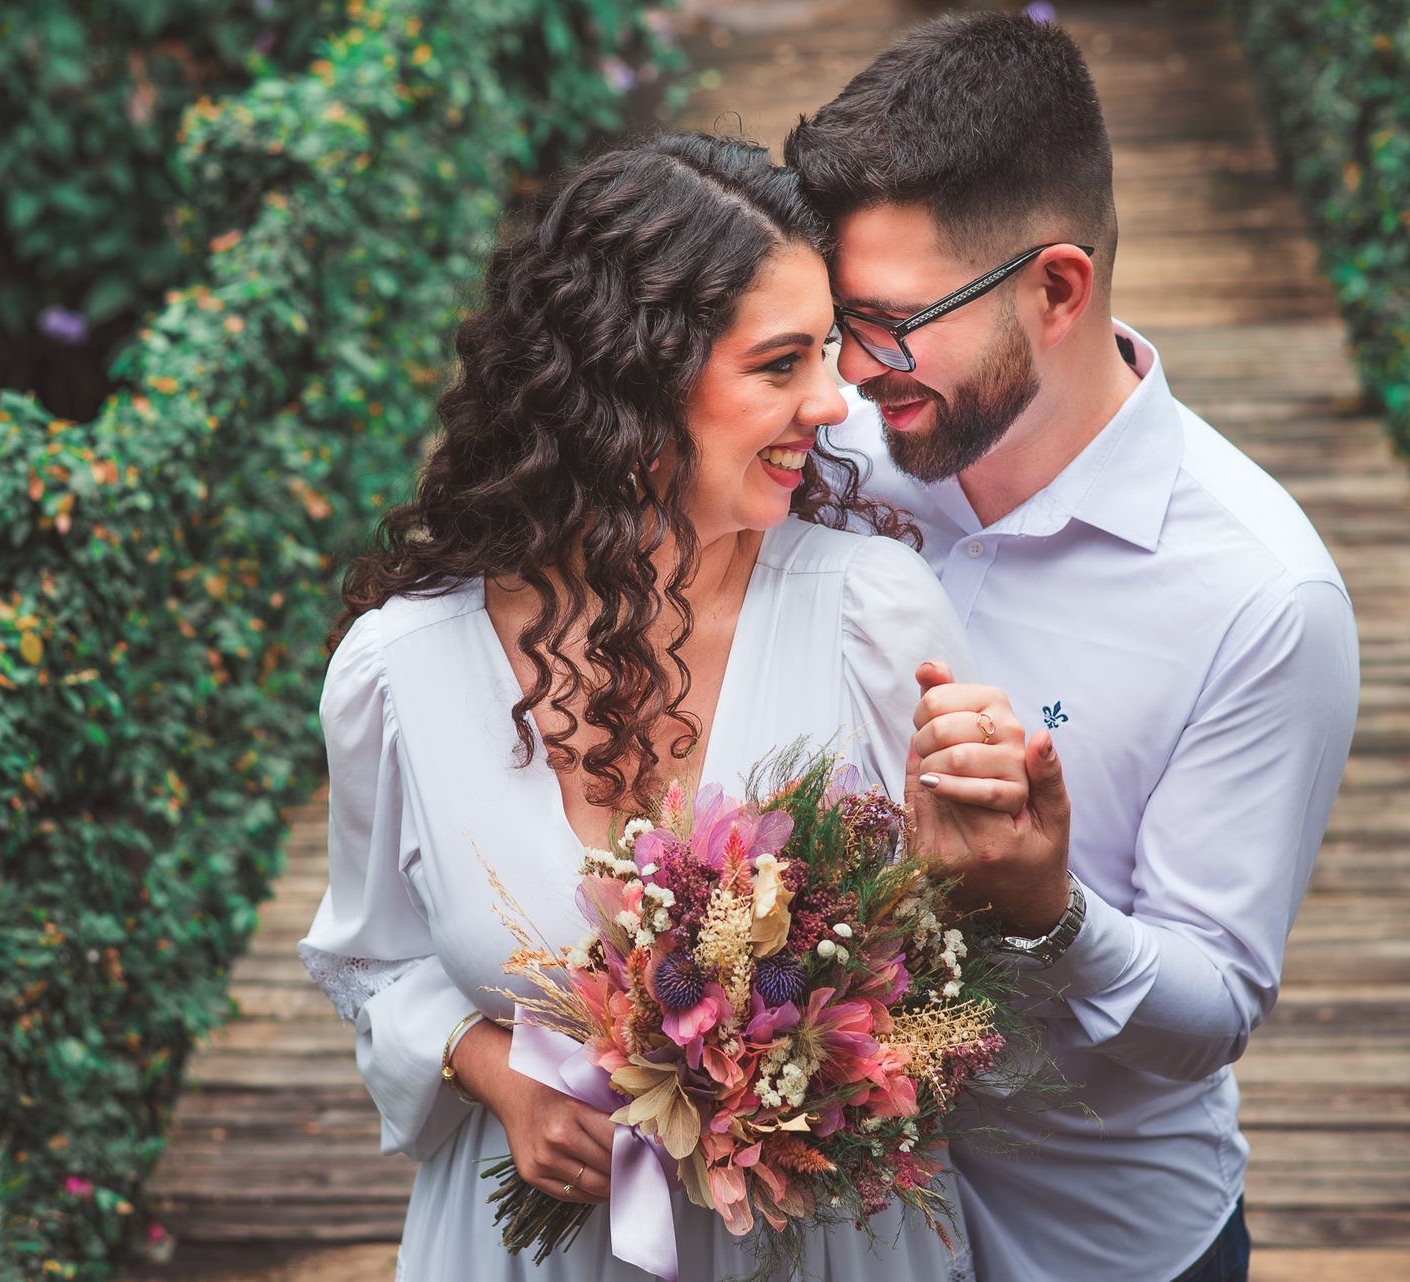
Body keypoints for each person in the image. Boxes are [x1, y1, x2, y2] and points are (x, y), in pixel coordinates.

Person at [293, 132, 1027, 1282]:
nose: (833, 401)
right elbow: (371, 964)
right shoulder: (401, 671)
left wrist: (988, 877)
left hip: (817, 1247)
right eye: (780, 363)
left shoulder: (874, 619)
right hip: (534, 1247)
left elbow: (964, 964)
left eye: (828, 349)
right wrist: (500, 1075)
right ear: (629, 384)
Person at [785, 13, 1362, 1282]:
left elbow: (1213, 1010)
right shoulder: (822, 455)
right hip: (818, 1231)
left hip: (1095, 1245)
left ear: (1057, 288)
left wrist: (1050, 915)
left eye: (892, 321)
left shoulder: (1263, 595)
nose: (853, 372)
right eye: (838, 319)